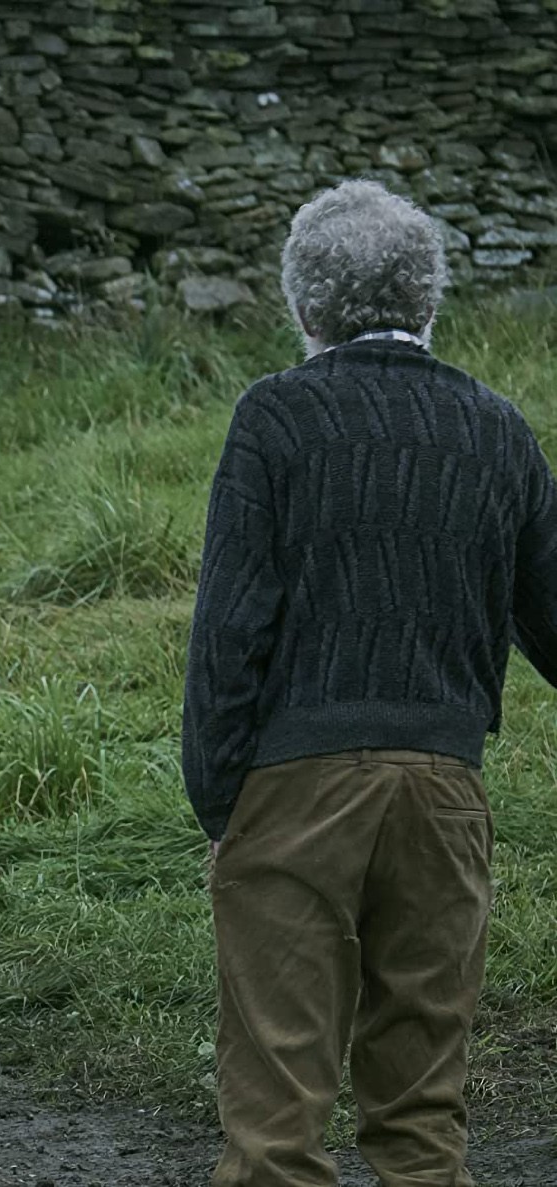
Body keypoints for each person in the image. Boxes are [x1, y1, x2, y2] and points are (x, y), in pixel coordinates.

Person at [185, 178, 557, 1186]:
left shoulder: (274, 417)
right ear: (428, 295)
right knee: (422, 1115)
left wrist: (219, 801)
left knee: (275, 1124)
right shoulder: (497, 427)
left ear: (302, 303)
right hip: (445, 789)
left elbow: (229, 626)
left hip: (291, 786)